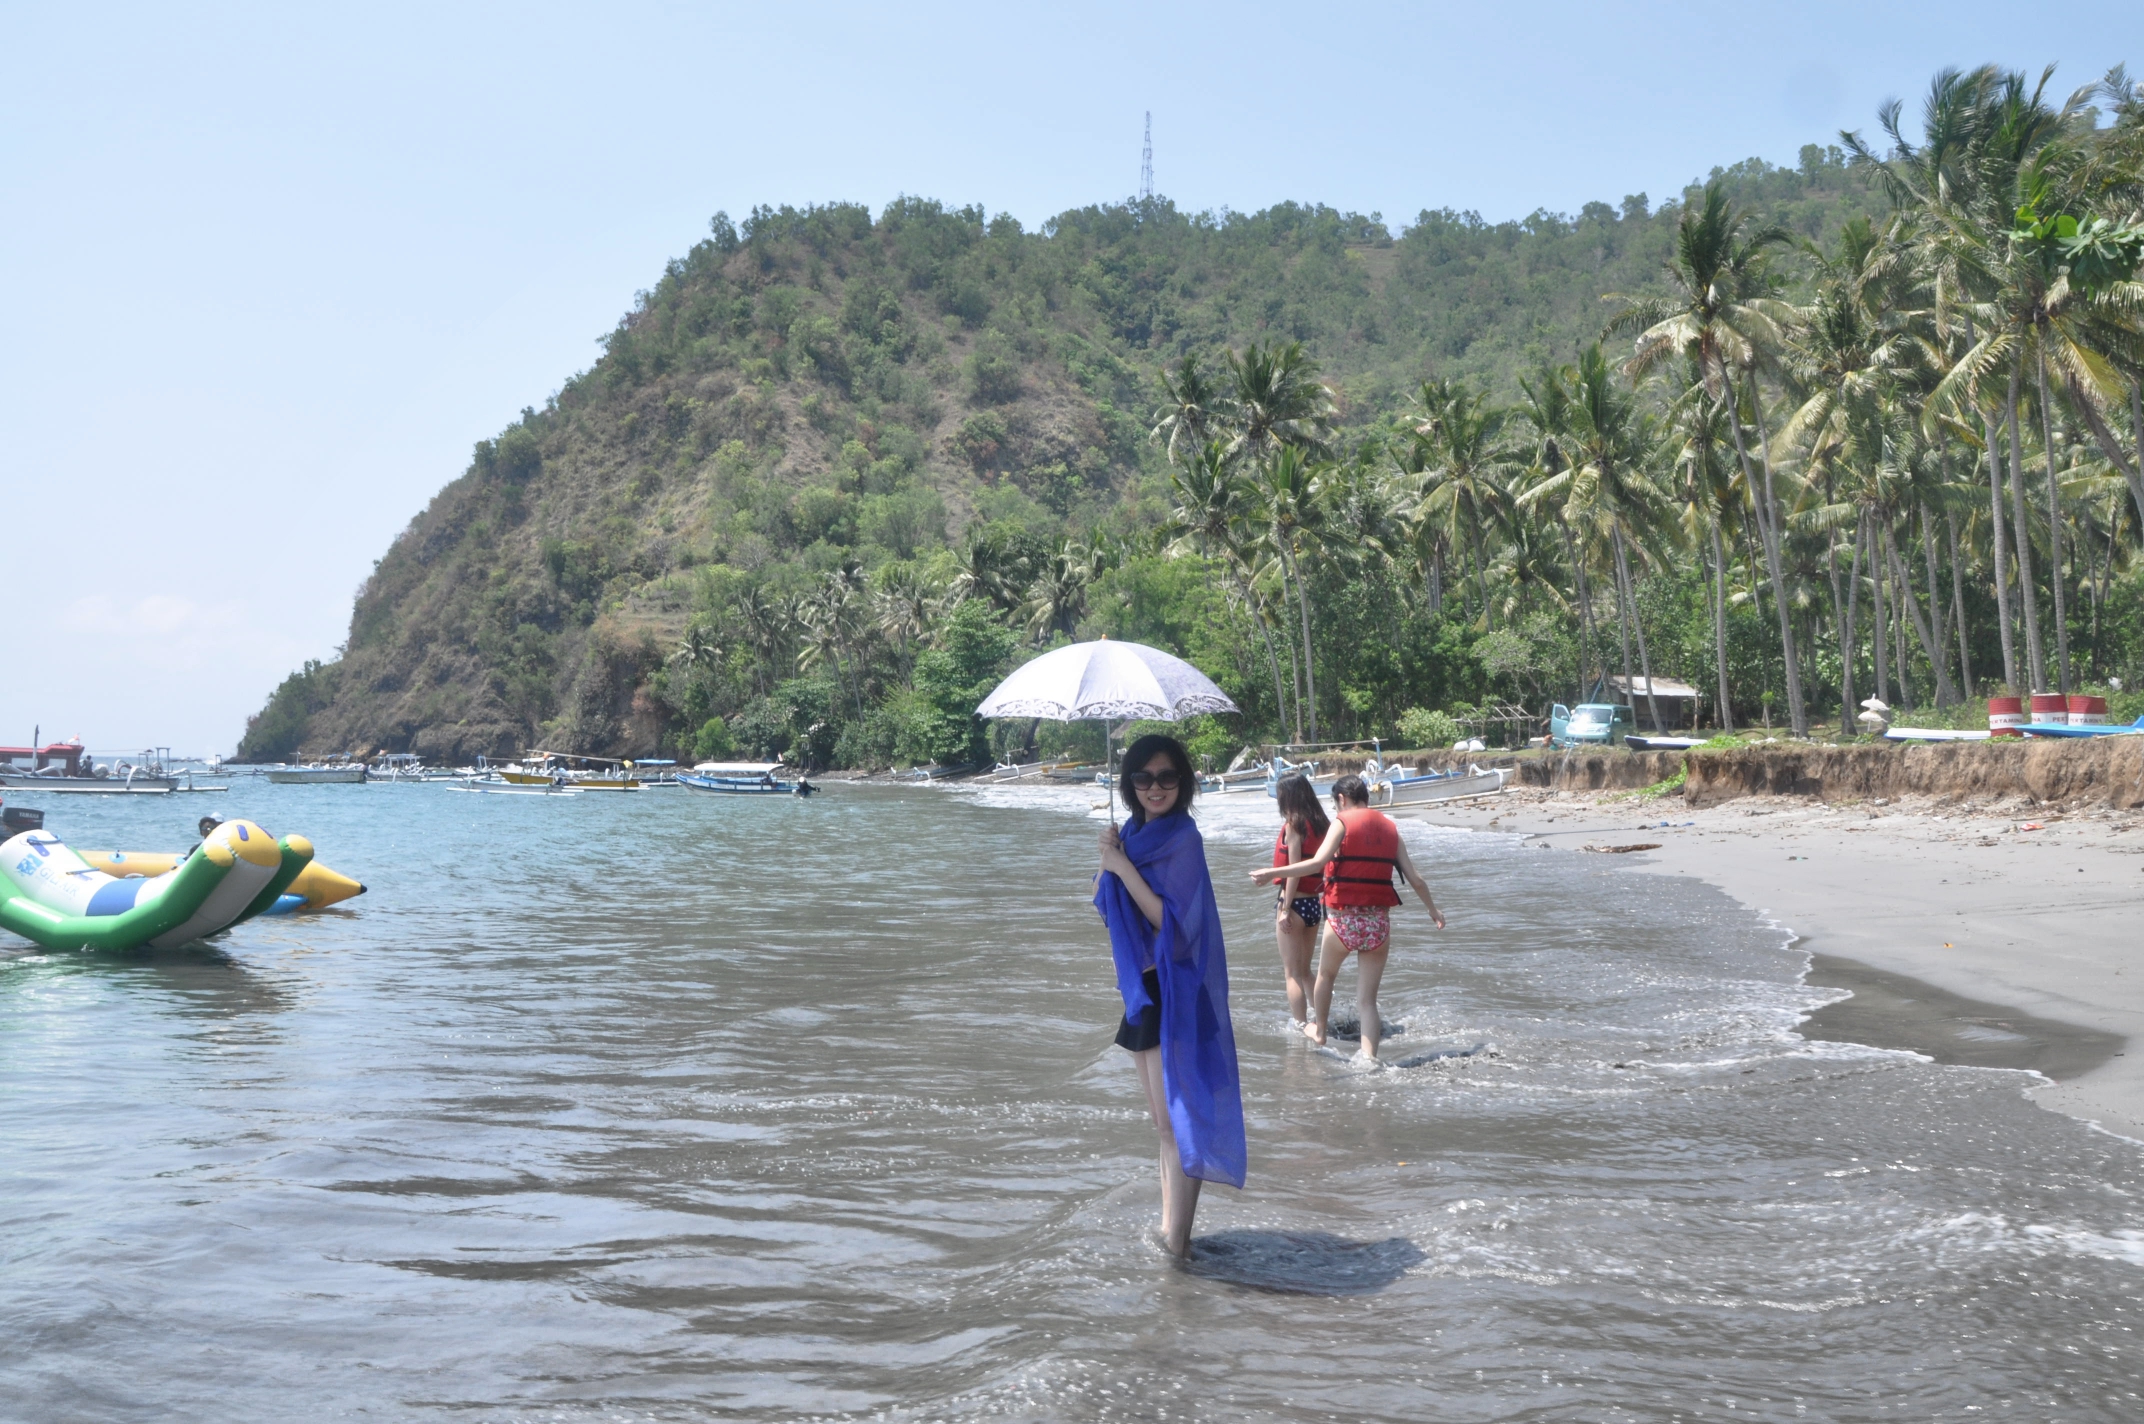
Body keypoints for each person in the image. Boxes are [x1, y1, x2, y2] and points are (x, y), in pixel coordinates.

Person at [1094, 733, 1246, 1257]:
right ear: (1129, 784)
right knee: (1163, 1124)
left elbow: (1174, 926)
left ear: (1183, 782)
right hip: (1145, 991)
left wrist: (1122, 867)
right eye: (1143, 777)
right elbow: (1106, 906)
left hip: (1175, 990)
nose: (1154, 787)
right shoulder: (1132, 836)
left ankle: (1178, 1244)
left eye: (1166, 777)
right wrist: (1109, 857)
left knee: (1179, 1124)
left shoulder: (1183, 838)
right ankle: (1170, 1232)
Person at [1250, 773, 1444, 1062]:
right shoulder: (1391, 829)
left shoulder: (1342, 823)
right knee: (1367, 1001)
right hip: (1378, 925)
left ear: (1342, 799)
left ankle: (1320, 1031)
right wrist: (1433, 910)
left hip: (1343, 922)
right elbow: (1416, 879)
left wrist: (1271, 873)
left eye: (1336, 803)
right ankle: (1369, 1058)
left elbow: (1316, 863)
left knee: (1325, 976)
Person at [1269, 773, 1329, 1030]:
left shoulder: (1294, 825)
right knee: (1305, 971)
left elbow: (1293, 870)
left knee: (1292, 974)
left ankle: (1301, 1026)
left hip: (1294, 905)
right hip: (1314, 905)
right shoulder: (1322, 824)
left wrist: (1285, 909)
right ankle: (1322, 1021)